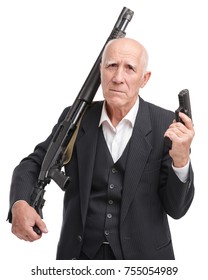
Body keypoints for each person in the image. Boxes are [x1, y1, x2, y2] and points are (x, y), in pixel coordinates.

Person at [7, 37, 195, 260]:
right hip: (79, 259)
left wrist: (181, 161)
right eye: (111, 66)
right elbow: (33, 163)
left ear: (144, 79)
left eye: (130, 69)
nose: (118, 78)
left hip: (145, 262)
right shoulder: (76, 119)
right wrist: (19, 203)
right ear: (100, 71)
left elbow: (177, 209)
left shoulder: (166, 124)